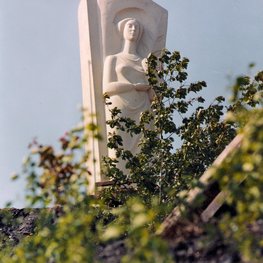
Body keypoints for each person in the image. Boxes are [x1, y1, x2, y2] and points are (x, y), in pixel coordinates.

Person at [103, 18, 154, 172]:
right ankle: (118, 183)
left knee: (144, 148)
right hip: (121, 108)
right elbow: (107, 88)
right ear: (123, 30)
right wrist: (133, 86)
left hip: (143, 109)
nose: (133, 29)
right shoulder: (113, 59)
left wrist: (151, 72)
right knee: (119, 146)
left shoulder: (144, 61)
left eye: (137, 27)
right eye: (130, 26)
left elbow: (154, 95)